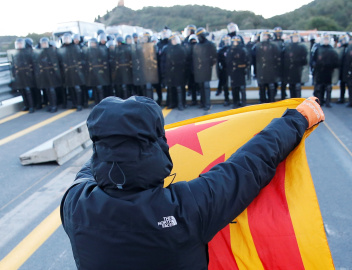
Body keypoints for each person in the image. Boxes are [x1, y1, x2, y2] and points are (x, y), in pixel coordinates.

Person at [61, 95, 324, 269]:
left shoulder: (75, 206)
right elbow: (249, 165)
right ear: (157, 146)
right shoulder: (188, 207)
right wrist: (298, 118)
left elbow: (90, 169)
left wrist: (110, 148)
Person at [192, 27, 217, 111]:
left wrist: (209, 64)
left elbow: (214, 57)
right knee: (201, 87)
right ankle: (202, 103)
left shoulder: (210, 44)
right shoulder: (197, 45)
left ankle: (207, 104)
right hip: (199, 69)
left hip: (207, 68)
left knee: (206, 86)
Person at [311, 33, 339, 107]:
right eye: (325, 39)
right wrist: (314, 65)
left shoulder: (332, 49)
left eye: (327, 39)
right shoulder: (318, 49)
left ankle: (328, 102)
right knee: (319, 87)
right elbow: (313, 59)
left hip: (329, 71)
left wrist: (332, 66)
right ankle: (320, 101)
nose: (326, 41)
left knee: (328, 87)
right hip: (319, 71)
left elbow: (336, 60)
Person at [282, 32, 308, 99]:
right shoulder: (287, 47)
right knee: (291, 85)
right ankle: (292, 99)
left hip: (298, 68)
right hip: (290, 69)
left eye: (296, 37)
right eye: (294, 37)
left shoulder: (302, 47)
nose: (295, 38)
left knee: (298, 85)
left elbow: (304, 59)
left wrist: (297, 61)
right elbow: (284, 58)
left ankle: (298, 100)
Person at [226, 35, 250, 108]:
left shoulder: (243, 49)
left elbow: (247, 61)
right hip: (233, 72)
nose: (235, 43)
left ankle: (243, 102)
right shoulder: (230, 50)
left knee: (242, 88)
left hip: (241, 71)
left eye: (237, 42)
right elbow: (227, 61)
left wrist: (245, 68)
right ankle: (235, 102)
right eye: (234, 42)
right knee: (234, 88)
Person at [216, 35, 232, 106]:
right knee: (225, 85)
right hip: (224, 68)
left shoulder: (233, 49)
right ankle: (226, 99)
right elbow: (218, 60)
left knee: (235, 85)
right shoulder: (221, 50)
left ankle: (236, 100)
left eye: (228, 40)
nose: (227, 41)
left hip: (233, 69)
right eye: (225, 40)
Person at [336, 34, 349, 104]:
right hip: (341, 69)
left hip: (348, 69)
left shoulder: (349, 48)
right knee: (342, 84)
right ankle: (342, 98)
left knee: (350, 85)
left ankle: (350, 99)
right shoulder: (340, 48)